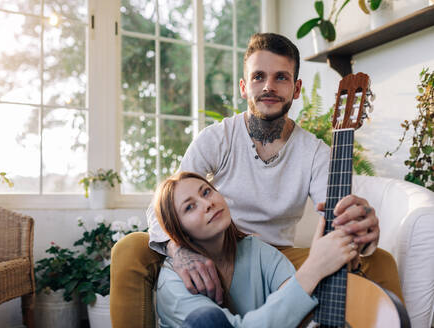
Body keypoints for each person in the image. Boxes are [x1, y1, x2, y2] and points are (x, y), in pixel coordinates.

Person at [110, 33, 403, 327]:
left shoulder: (314, 152)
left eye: (281, 78)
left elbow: (336, 216)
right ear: (243, 86)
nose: (268, 87)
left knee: (379, 260)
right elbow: (166, 204)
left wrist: (361, 231)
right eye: (258, 76)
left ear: (297, 88)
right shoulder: (217, 137)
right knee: (130, 249)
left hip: (277, 253)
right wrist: (178, 248)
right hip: (217, 242)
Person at [154, 171, 358, 328]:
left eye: (206, 192)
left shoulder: (257, 251)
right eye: (190, 207)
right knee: (208, 319)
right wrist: (313, 268)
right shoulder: (173, 282)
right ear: (178, 229)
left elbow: (300, 305)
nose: (207, 203)